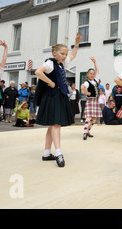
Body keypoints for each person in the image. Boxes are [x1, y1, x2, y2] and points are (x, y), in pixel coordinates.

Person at [35, 33, 82, 167]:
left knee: (52, 125)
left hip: (59, 96)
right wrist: (50, 82)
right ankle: (59, 153)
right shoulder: (50, 63)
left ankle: (46, 153)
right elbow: (38, 72)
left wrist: (77, 43)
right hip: (53, 96)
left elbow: (73, 55)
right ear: (54, 53)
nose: (65, 56)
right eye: (62, 53)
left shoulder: (62, 63)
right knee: (56, 124)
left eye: (65, 54)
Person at [81, 57, 102, 140]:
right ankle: (84, 133)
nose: (92, 75)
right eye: (90, 73)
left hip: (95, 101)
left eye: (93, 73)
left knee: (94, 118)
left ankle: (88, 131)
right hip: (90, 100)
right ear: (87, 75)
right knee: (89, 117)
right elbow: (82, 87)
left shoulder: (96, 80)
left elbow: (98, 72)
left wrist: (95, 63)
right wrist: (87, 92)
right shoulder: (87, 82)